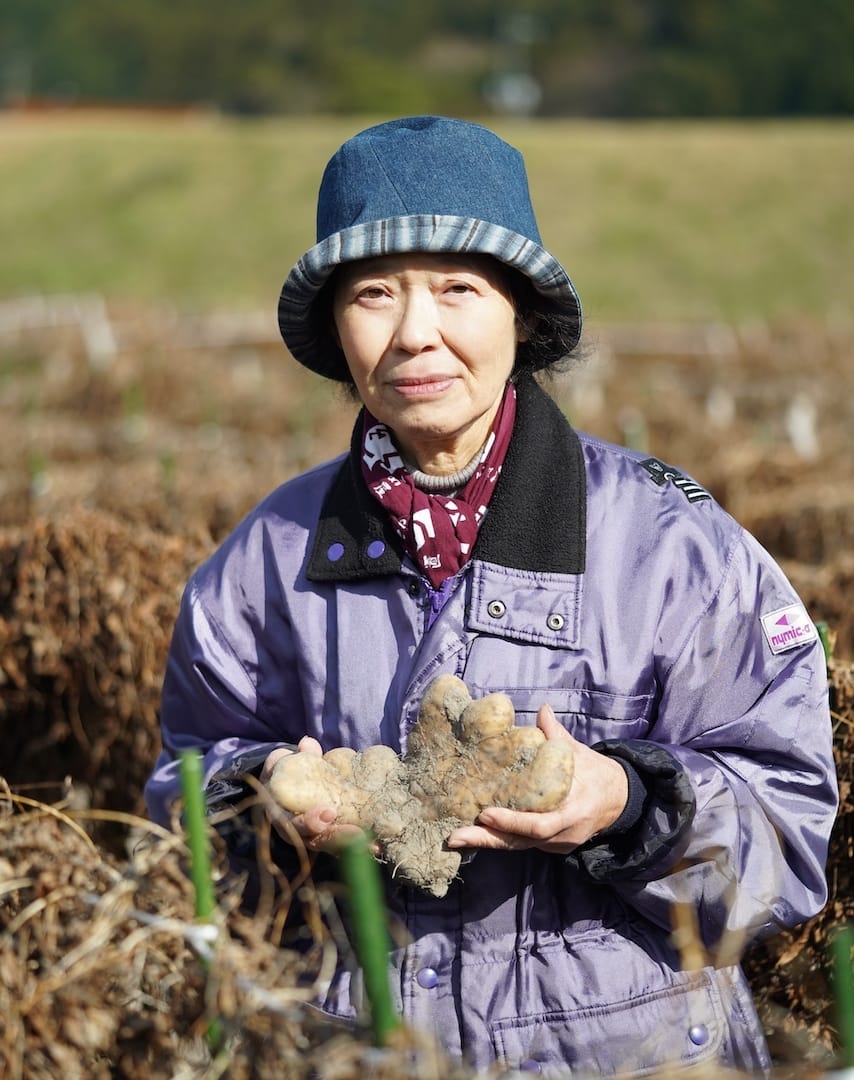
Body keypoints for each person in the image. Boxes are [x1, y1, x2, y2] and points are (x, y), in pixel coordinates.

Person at [145, 116, 837, 1077]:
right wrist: (267, 803)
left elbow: (789, 841)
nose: (414, 332)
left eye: (457, 289)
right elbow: (180, 807)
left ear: (522, 312)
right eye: (374, 293)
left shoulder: (674, 548)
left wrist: (623, 803)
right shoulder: (264, 562)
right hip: (355, 1052)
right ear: (336, 324)